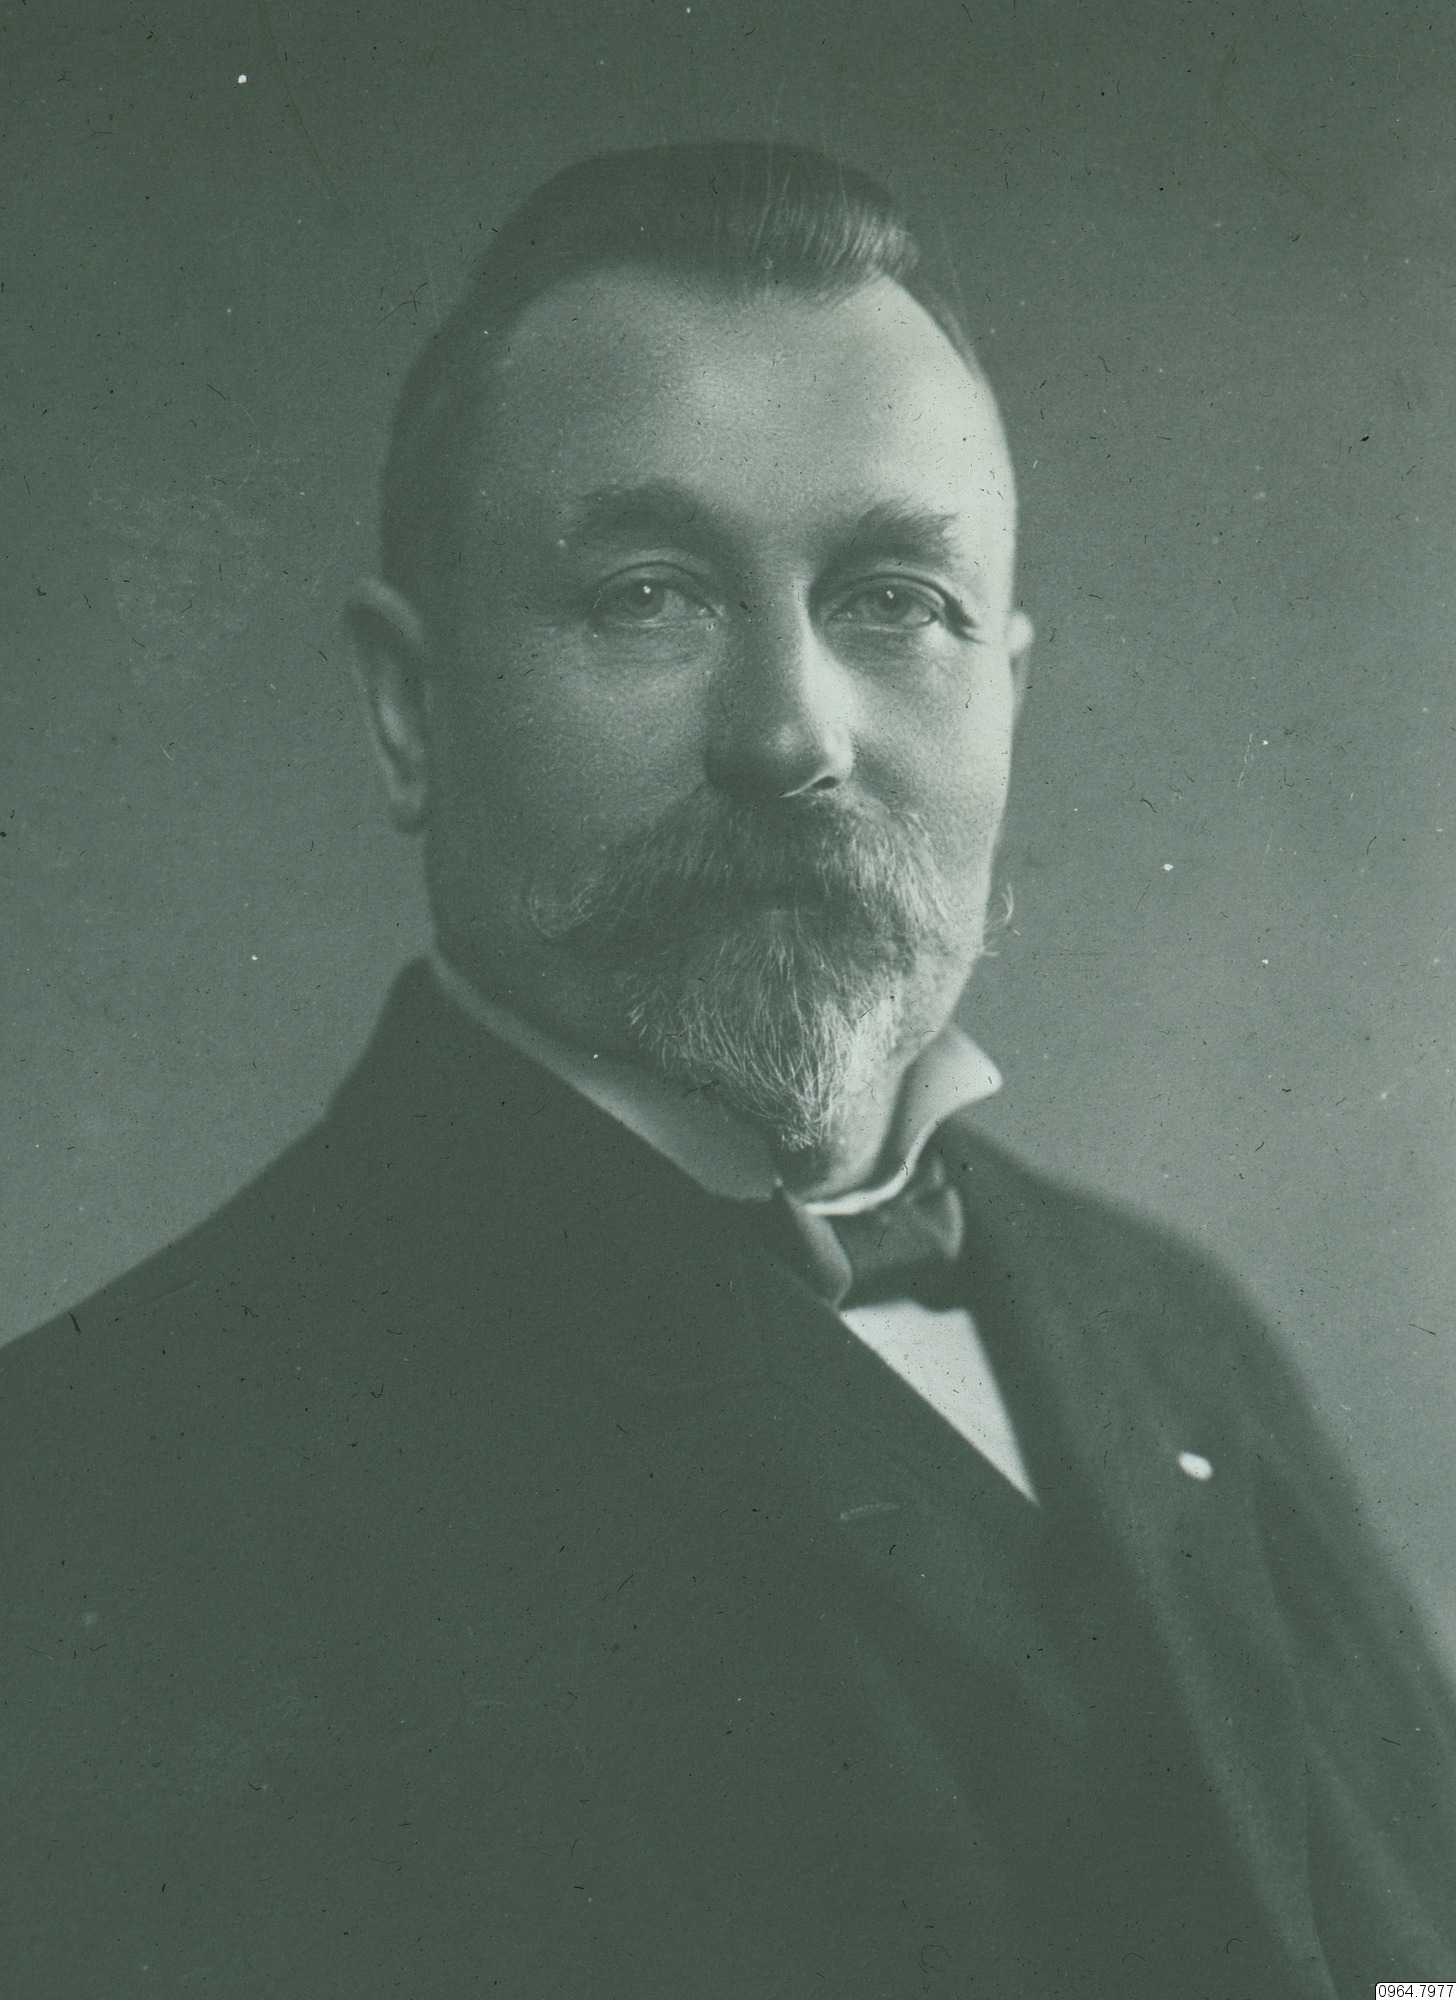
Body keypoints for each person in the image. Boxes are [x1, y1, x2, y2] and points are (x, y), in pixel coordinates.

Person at [3, 141, 1452, 1996]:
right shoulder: (89, 1502)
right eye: (649, 594)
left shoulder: (1175, 1333)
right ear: (408, 706)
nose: (789, 734)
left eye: (895, 601)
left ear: (1008, 692)